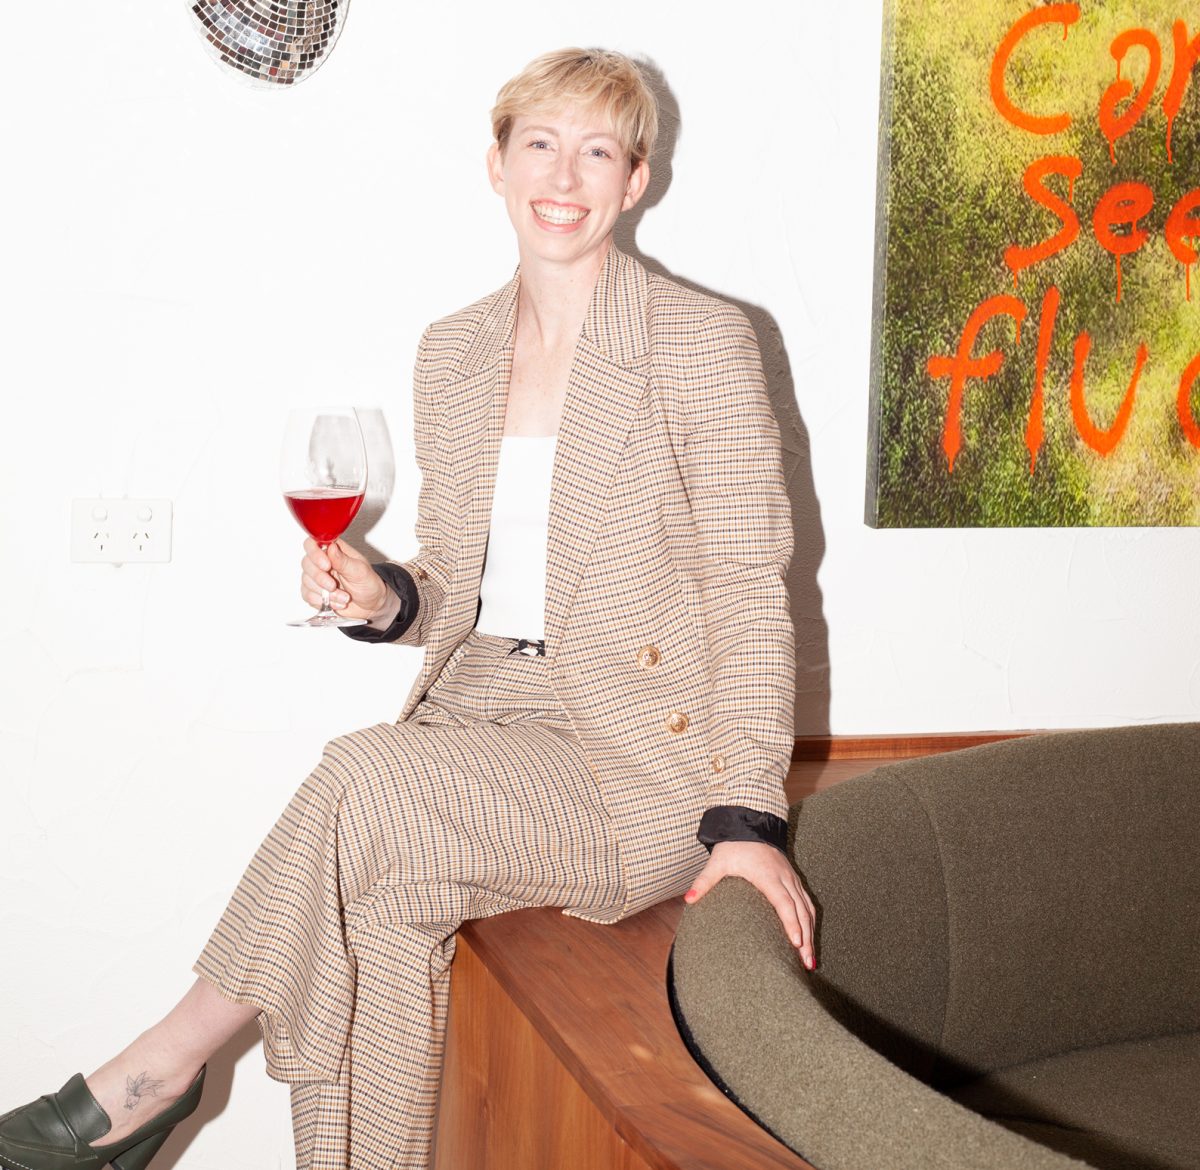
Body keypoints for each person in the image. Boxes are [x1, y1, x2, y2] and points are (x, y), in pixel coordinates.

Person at [0, 47, 815, 1170]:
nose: (564, 176)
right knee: (370, 914)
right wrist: (385, 596)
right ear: (495, 163)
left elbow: (749, 593)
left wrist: (749, 821)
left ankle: (148, 1075)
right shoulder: (458, 351)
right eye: (540, 143)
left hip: (635, 761)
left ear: (635, 182)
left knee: (359, 778)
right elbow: (454, 581)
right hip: (485, 718)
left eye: (597, 151)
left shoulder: (701, 342)